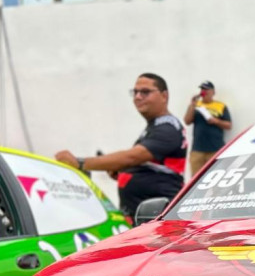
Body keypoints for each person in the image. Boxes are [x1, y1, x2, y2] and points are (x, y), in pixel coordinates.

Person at [56, 73, 187, 220]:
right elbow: (150, 168)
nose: (138, 97)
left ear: (164, 95)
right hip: (142, 219)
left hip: (158, 221)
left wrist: (80, 163)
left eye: (145, 92)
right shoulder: (154, 127)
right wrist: (122, 172)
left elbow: (132, 157)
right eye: (135, 92)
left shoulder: (167, 128)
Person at [183, 80, 232, 176]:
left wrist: (216, 121)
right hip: (197, 150)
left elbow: (228, 125)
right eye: (202, 89)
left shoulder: (221, 106)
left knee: (216, 177)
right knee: (196, 178)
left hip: (215, 149)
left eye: (206, 89)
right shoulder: (196, 105)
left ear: (213, 92)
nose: (203, 91)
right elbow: (187, 121)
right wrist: (192, 104)